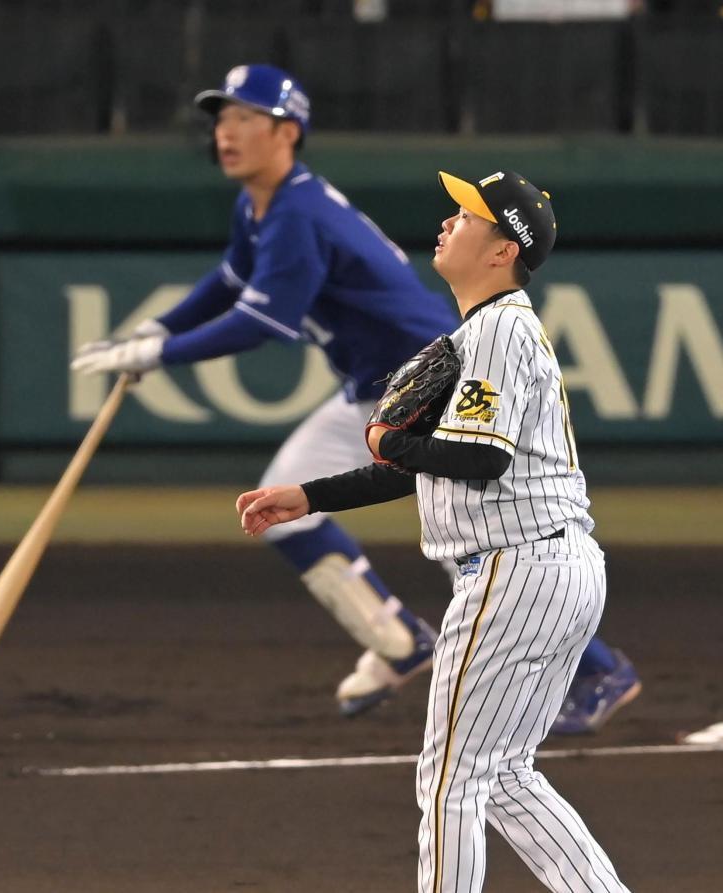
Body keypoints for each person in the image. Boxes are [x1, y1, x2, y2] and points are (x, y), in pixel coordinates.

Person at [71, 61, 639, 734]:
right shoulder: (262, 207)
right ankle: (399, 637)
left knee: (477, 536)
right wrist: (158, 329)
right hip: (375, 388)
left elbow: (261, 320)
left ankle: (597, 666)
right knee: (284, 498)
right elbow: (228, 282)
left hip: (431, 379)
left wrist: (160, 354)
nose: (226, 131)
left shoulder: (296, 214)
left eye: (244, 118)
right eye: (221, 118)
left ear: (287, 131)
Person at [237, 170, 632, 892]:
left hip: (518, 574)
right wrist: (309, 494)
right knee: (503, 773)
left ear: (502, 250)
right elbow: (432, 467)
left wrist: (389, 442)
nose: (449, 221)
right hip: (555, 568)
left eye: (470, 215)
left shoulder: (499, 332)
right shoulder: (487, 333)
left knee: (449, 778)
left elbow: (480, 458)